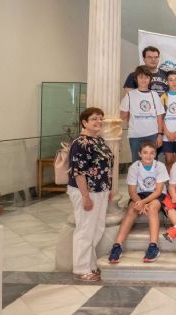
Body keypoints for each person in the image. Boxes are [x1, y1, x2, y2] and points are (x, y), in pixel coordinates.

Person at [67, 107, 114, 281]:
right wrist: (85, 196)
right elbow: (78, 172)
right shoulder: (80, 143)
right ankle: (81, 268)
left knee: (97, 228)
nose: (99, 122)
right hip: (86, 191)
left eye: (101, 119)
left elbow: (107, 166)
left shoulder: (99, 140)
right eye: (94, 119)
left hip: (101, 189)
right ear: (84, 122)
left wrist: (109, 189)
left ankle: (90, 264)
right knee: (85, 229)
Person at [108, 141, 168, 264]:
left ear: (155, 154)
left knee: (152, 208)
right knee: (131, 209)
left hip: (156, 194)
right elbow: (132, 191)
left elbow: (158, 191)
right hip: (139, 195)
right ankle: (117, 246)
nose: (148, 156)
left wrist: (144, 203)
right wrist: (139, 202)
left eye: (152, 153)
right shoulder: (134, 167)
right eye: (145, 152)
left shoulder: (160, 166)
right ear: (139, 154)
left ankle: (153, 246)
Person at [120, 66, 165, 162]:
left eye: (146, 77)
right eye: (141, 77)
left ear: (150, 79)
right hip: (135, 135)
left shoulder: (155, 95)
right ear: (136, 79)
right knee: (136, 162)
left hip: (152, 134)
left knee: (152, 161)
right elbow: (122, 115)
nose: (144, 80)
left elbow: (159, 116)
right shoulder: (129, 95)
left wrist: (160, 134)